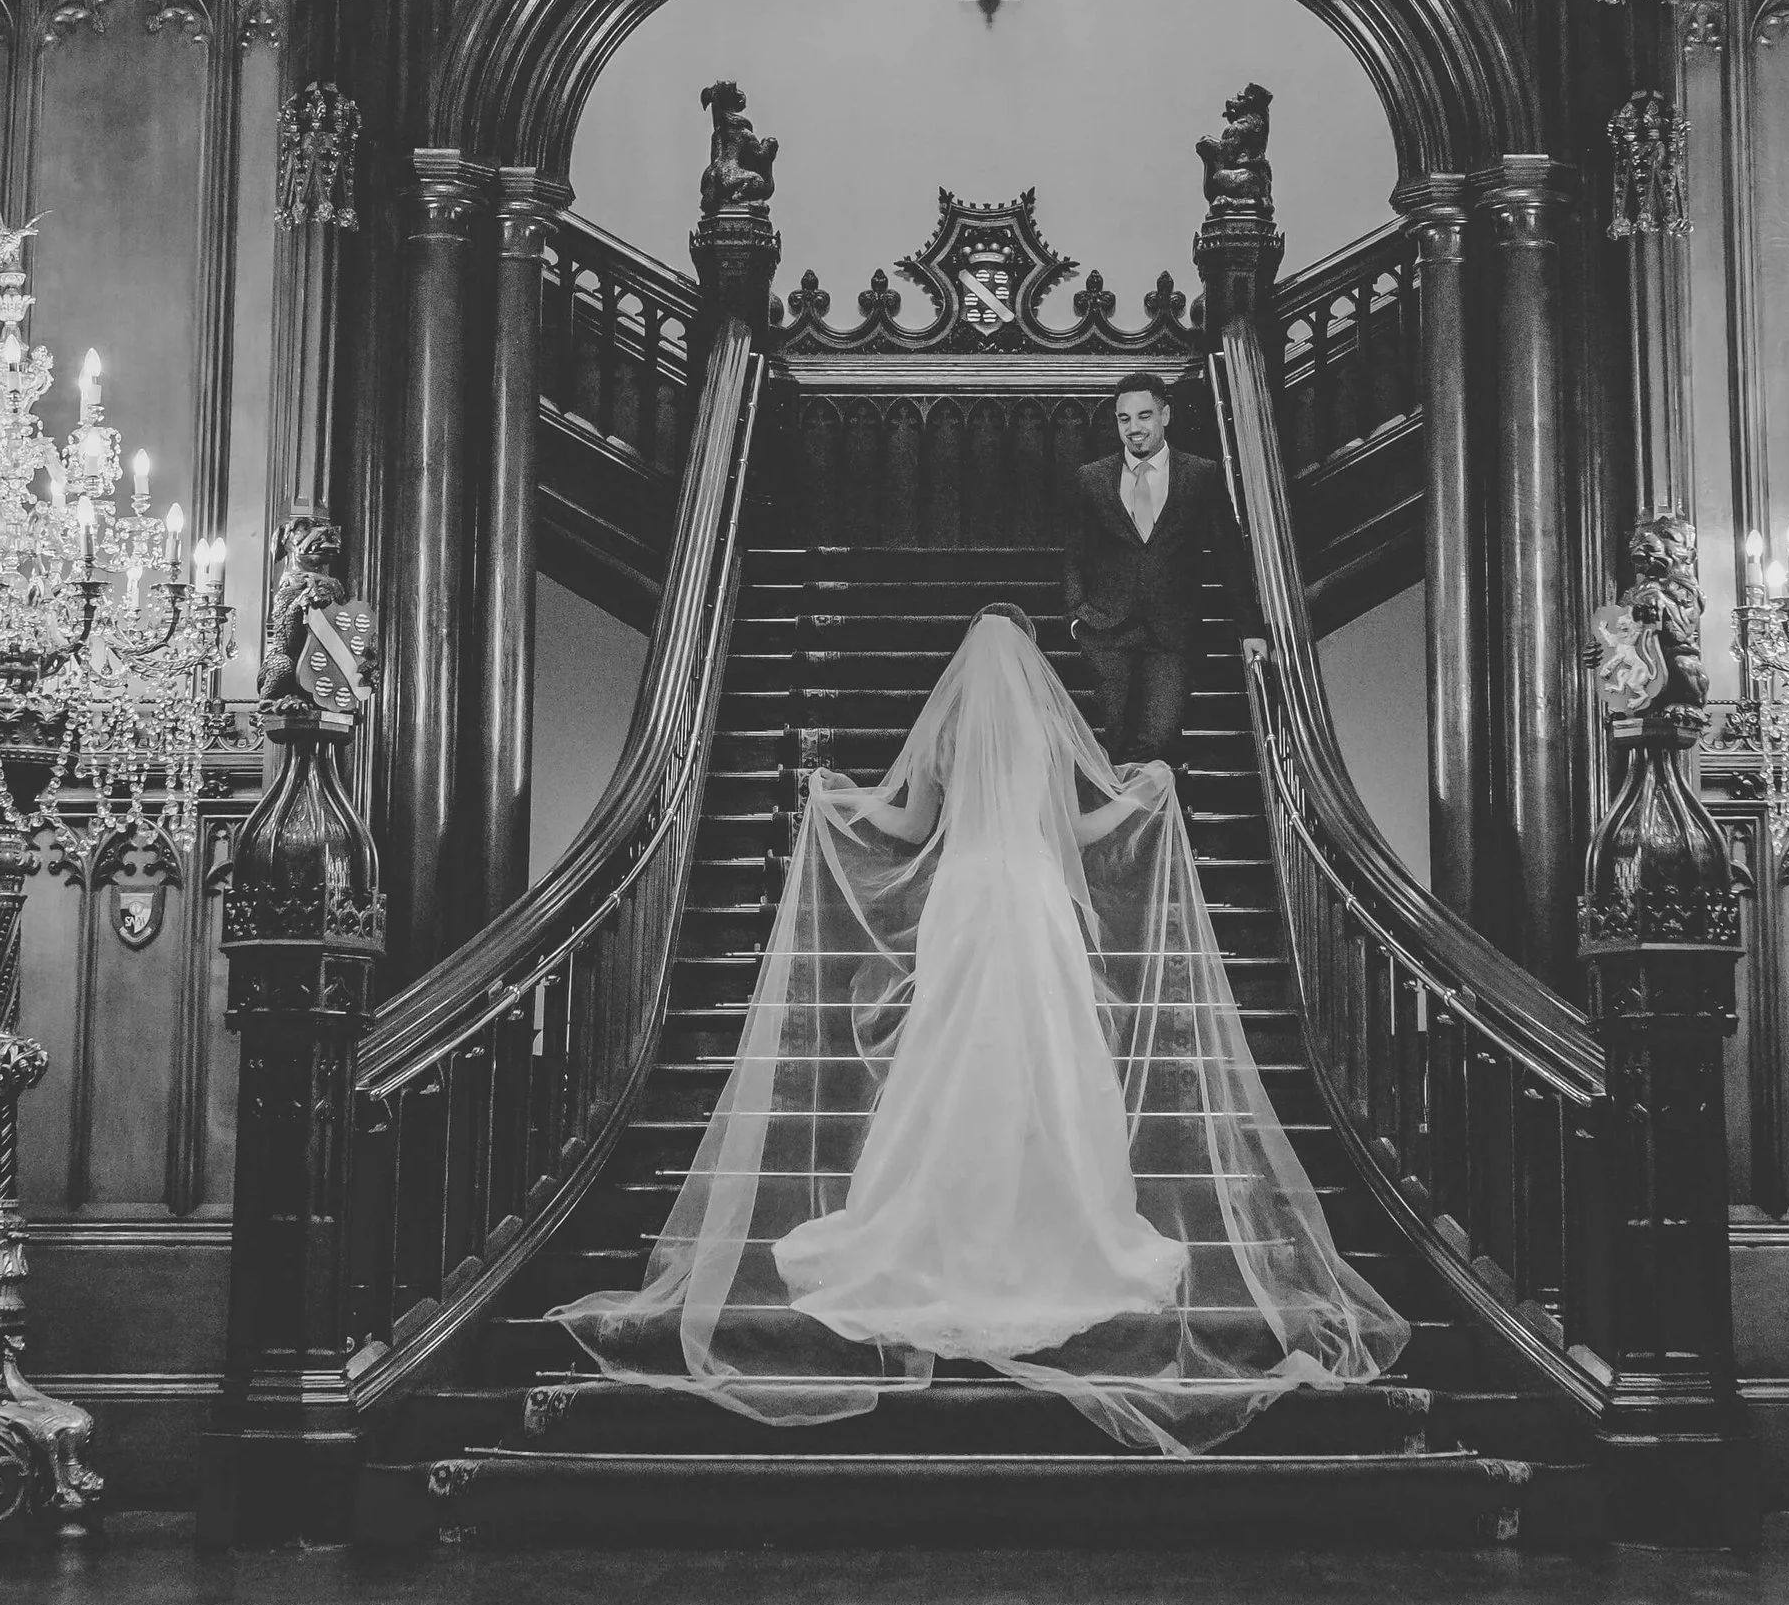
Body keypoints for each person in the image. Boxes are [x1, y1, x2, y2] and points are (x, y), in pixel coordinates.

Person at [548, 605, 1407, 1455]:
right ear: (1030, 660)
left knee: (952, 1058)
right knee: (1040, 1061)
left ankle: (934, 1218)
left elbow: (911, 827)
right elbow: (1075, 832)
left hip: (962, 898)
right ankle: (1045, 1217)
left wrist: (838, 798)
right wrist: (1146, 795)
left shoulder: (946, 733)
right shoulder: (1044, 728)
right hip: (1030, 898)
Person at [1063, 369, 1261, 766]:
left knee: (1158, 737)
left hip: (1171, 634)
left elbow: (1229, 557)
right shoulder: (1092, 478)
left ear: (1166, 415)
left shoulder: (1201, 475)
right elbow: (1074, 553)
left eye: (1144, 416)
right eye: (1124, 419)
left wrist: (1251, 629)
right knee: (1114, 742)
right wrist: (1076, 615)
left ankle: (1139, 819)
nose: (1134, 428)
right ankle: (1130, 826)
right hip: (1106, 631)